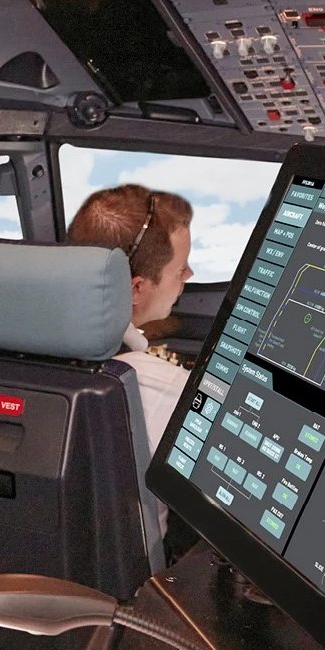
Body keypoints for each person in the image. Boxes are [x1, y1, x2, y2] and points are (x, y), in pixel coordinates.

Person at [66, 184, 196, 456]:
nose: (190, 274)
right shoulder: (155, 384)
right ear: (136, 289)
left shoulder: (0, 343)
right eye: (180, 269)